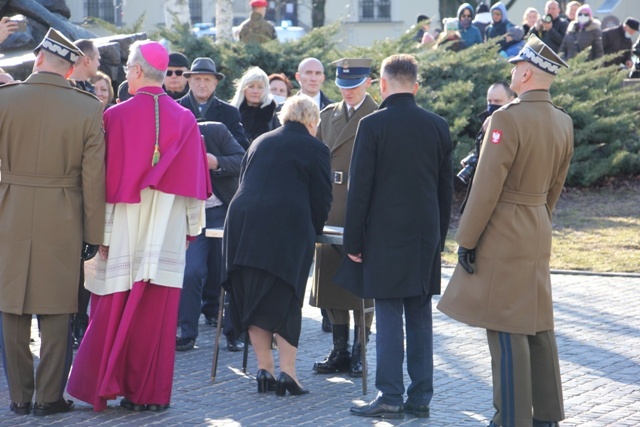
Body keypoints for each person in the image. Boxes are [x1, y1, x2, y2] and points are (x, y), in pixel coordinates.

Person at [66, 40, 211, 412]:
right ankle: (147, 393)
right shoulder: (186, 119)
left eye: (128, 67)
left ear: (135, 71)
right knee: (155, 316)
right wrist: (190, 229)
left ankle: (104, 384)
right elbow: (196, 188)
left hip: (123, 228)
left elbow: (101, 183)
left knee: (112, 307)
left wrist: (99, 233)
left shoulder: (114, 116)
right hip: (166, 230)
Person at [438, 34, 574, 427]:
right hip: (536, 224)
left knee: (506, 327)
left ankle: (511, 417)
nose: (512, 71)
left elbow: (486, 187)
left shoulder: (507, 118)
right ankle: (547, 416)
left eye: (516, 66)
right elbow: (555, 187)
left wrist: (466, 239)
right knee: (537, 323)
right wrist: (539, 218)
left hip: (504, 228)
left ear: (527, 71)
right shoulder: (563, 120)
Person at [337, 54, 453, 419]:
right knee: (419, 318)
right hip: (424, 238)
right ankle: (421, 398)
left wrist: (352, 241)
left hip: (383, 237)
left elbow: (360, 190)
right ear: (416, 86)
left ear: (382, 85)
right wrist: (439, 238)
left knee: (388, 317)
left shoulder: (372, 126)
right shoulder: (438, 126)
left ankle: (389, 395)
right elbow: (445, 191)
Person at [0, 28, 105, 417]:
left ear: (38, 58)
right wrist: (94, 233)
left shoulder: (4, 100)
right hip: (63, 215)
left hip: (8, 211)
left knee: (11, 306)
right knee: (58, 311)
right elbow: (94, 179)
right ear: (71, 67)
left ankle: (19, 397)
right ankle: (48, 398)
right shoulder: (88, 107)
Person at [222, 94, 332, 396]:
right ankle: (289, 374)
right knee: (286, 295)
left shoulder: (261, 141)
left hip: (242, 222)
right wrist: (316, 229)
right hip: (286, 226)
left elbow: (245, 178)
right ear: (312, 121)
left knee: (253, 293)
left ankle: (264, 369)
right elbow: (322, 197)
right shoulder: (316, 147)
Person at [310, 58, 377, 378]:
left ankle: (360, 350)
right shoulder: (327, 115)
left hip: (361, 208)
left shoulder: (377, 116)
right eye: (342, 86)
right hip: (331, 206)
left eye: (354, 85)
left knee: (362, 284)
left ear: (369, 83)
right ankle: (339, 348)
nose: (347, 92)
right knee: (332, 283)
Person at [176, 121, 244, 352]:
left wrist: (216, 163)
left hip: (221, 210)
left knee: (229, 271)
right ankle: (187, 333)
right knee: (191, 271)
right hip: (191, 212)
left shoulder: (216, 130)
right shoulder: (170, 134)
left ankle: (234, 334)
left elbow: (242, 159)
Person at [458, 82, 516, 213]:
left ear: (511, 100)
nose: (492, 105)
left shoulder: (515, 124)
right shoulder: (488, 121)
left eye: (497, 101)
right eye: (489, 101)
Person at [179, 57, 250, 150]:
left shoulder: (230, 112)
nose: (202, 84)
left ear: (215, 83)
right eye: (197, 79)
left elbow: (241, 146)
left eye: (207, 79)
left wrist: (217, 160)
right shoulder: (175, 108)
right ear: (189, 82)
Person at [230, 66, 277, 143]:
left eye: (260, 87)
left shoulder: (274, 113)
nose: (255, 91)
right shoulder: (232, 113)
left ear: (266, 89)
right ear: (243, 89)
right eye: (251, 86)